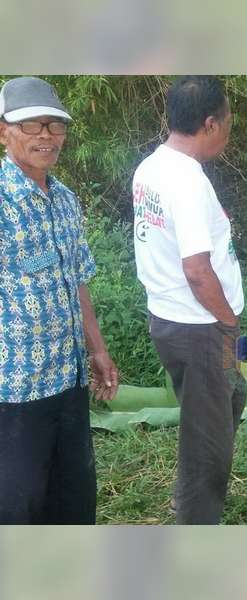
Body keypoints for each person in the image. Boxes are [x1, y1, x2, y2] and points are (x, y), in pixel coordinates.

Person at [0, 76, 119, 524]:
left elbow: (78, 280)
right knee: (17, 508)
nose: (46, 135)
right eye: (31, 125)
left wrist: (97, 350)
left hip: (68, 380)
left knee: (73, 501)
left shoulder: (65, 200)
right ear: (4, 132)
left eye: (55, 125)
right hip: (15, 390)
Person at [132, 76, 245, 523]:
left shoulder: (150, 167)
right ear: (211, 123)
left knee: (223, 405)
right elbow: (197, 271)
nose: (229, 129)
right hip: (201, 328)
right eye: (228, 120)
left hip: (172, 321)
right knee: (209, 443)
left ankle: (187, 498)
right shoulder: (187, 181)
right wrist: (228, 322)